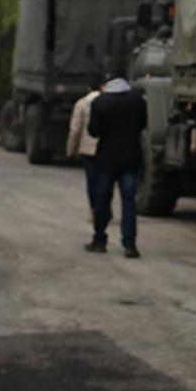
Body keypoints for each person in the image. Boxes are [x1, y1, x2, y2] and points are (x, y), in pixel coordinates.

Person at [86, 73, 147, 258]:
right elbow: (143, 124)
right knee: (129, 201)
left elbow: (94, 132)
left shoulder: (100, 102)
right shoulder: (137, 100)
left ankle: (99, 240)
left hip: (106, 160)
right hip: (130, 159)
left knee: (102, 200)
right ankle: (130, 244)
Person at [66, 85, 101, 226]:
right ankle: (104, 207)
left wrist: (71, 150)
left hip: (87, 150)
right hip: (104, 149)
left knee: (91, 181)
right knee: (104, 180)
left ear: (88, 89)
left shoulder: (81, 103)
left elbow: (75, 129)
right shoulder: (108, 102)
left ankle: (94, 210)